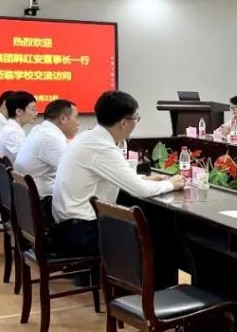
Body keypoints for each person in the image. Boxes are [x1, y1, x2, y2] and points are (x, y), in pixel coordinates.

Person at [51, 91, 185, 257]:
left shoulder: (87, 137)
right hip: (81, 233)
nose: (136, 123)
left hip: (67, 227)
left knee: (154, 228)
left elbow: (113, 176)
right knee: (159, 238)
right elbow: (140, 190)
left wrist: (145, 179)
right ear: (123, 123)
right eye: (136, 118)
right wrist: (171, 184)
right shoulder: (102, 147)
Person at [13, 98, 80, 197]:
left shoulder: (40, 130)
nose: (78, 123)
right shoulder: (52, 138)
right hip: (43, 200)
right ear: (63, 119)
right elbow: (75, 173)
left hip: (26, 198)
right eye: (76, 117)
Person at [0, 91, 37, 163]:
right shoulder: (13, 132)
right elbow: (24, 161)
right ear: (19, 111)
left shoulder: (11, 127)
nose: (36, 113)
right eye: (33, 109)